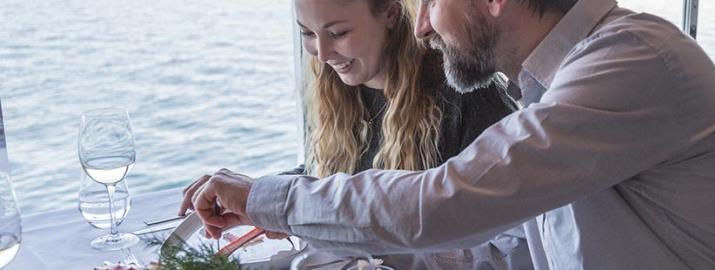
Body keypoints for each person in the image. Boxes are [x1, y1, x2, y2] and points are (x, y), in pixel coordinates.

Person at [182, 0, 715, 269]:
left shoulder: (633, 63)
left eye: (431, 0)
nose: (420, 26)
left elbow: (437, 204)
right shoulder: (555, 87)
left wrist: (265, 197)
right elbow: (499, 252)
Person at [180, 0, 529, 268]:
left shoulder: (464, 93)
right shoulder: (340, 88)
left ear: (392, 14)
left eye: (339, 33)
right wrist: (257, 197)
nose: (323, 52)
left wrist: (277, 204)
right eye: (306, 33)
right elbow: (332, 181)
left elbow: (505, 244)